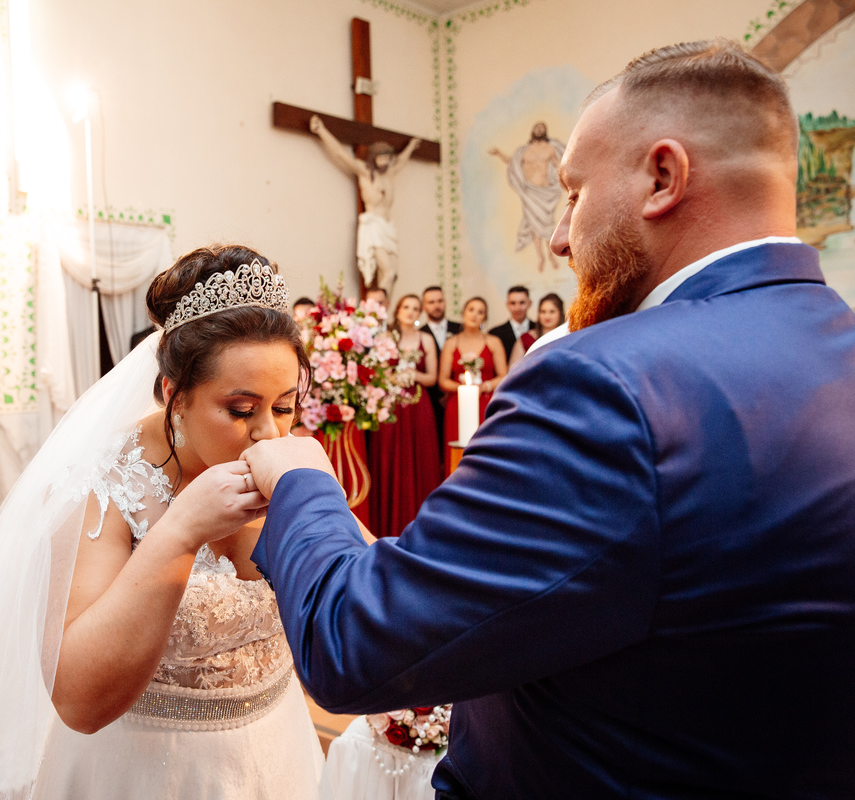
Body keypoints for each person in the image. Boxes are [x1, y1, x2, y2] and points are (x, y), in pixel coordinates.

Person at [221, 40, 855, 797]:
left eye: (575, 193)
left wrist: (301, 477)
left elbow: (355, 645)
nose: (558, 237)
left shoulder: (605, 384)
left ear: (662, 176)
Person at [0, 246, 325, 799]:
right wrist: (181, 532)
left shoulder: (289, 460)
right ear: (173, 397)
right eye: (240, 409)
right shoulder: (101, 484)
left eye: (284, 406)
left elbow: (354, 589)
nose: (269, 435)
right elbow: (78, 699)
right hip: (149, 772)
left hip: (282, 756)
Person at [310, 114, 421, 295]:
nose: (385, 162)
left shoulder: (390, 173)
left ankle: (386, 309)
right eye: (381, 158)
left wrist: (411, 146)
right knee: (388, 271)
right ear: (374, 158)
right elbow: (340, 153)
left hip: (388, 226)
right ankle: (377, 310)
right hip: (374, 225)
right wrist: (321, 130)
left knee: (393, 275)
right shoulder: (364, 171)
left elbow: (401, 160)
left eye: (387, 158)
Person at [367, 295, 441, 538]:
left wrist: (412, 375)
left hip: (419, 404)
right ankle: (387, 527)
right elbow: (375, 371)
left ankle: (423, 527)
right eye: (406, 307)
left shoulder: (426, 339)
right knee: (390, 460)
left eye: (415, 308)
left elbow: (432, 377)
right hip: (390, 405)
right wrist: (391, 377)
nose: (411, 312)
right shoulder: (385, 337)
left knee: (420, 460)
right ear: (397, 310)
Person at [437, 297, 507, 468]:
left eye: (480, 311)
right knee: (459, 451)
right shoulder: (452, 343)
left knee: (486, 450)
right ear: (464, 312)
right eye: (471, 309)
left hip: (486, 403)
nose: (475, 315)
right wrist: (464, 389)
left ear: (485, 317)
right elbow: (443, 380)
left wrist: (484, 387)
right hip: (458, 405)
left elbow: (504, 375)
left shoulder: (493, 342)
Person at [488, 122, 566, 272]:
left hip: (545, 192)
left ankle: (550, 255)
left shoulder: (549, 149)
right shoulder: (524, 151)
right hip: (530, 192)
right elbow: (513, 162)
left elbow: (558, 165)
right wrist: (498, 153)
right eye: (536, 127)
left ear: (544, 131)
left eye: (541, 127)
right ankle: (541, 257)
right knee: (534, 226)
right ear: (532, 131)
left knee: (548, 225)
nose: (538, 129)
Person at [419, 286, 461, 458]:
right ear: (424, 307)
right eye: (431, 302)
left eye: (440, 301)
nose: (436, 305)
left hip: (457, 396)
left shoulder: (460, 328)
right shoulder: (420, 333)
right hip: (430, 398)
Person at [509, 292, 564, 366]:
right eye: (543, 312)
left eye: (552, 312)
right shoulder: (526, 338)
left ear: (560, 313)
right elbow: (513, 370)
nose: (547, 316)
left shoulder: (568, 336)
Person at [486, 285, 532, 359]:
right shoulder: (495, 333)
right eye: (513, 303)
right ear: (507, 304)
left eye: (522, 303)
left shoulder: (539, 329)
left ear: (529, 303)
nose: (517, 308)